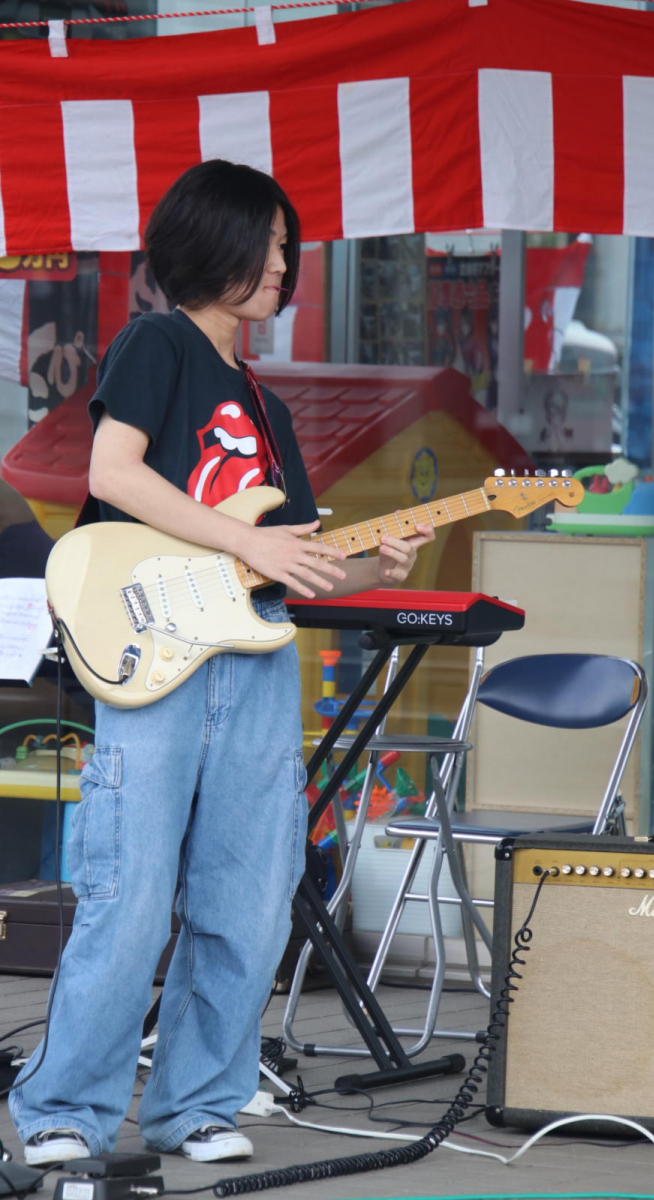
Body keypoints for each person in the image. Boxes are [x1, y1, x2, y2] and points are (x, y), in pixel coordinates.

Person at [11, 159, 434, 1167]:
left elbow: (285, 569)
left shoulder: (266, 406)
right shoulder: (156, 343)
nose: (287, 266)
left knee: (247, 895)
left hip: (250, 665)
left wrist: (370, 561)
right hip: (154, 659)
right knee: (128, 890)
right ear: (224, 248)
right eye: (276, 247)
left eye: (287, 250)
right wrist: (247, 542)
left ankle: (197, 1102)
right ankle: (63, 1109)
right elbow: (114, 473)